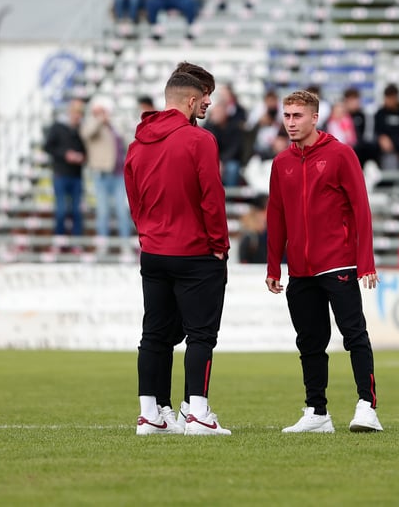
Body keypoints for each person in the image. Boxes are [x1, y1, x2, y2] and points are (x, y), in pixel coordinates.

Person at [266, 90, 383, 434]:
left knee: (354, 335)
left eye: (297, 116)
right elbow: (276, 216)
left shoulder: (341, 154)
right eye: (287, 116)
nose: (290, 123)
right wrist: (273, 266)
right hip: (299, 270)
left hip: (338, 263)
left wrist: (365, 262)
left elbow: (361, 208)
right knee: (309, 342)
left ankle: (367, 406)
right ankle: (317, 412)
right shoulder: (281, 163)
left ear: (315, 118)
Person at [125, 70, 231, 436]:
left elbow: (134, 199)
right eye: (205, 97)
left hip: (154, 251)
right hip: (195, 252)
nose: (208, 103)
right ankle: (197, 414)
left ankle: (150, 416)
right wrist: (219, 245)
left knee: (153, 335)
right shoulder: (200, 140)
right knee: (200, 335)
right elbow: (212, 197)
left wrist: (148, 235)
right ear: (191, 100)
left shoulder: (138, 143)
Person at [81, 100, 132, 239]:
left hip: (118, 175)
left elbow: (126, 143)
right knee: (103, 212)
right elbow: (86, 134)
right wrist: (99, 120)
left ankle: (125, 243)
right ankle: (102, 243)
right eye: (98, 111)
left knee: (122, 211)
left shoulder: (113, 127)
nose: (102, 114)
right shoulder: (91, 124)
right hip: (102, 174)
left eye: (103, 111)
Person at [43, 99, 87, 238]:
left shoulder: (81, 130)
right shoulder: (57, 127)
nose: (77, 116)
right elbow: (48, 147)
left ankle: (77, 241)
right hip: (61, 174)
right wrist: (65, 154)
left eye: (79, 113)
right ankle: (59, 238)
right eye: (75, 112)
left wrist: (81, 157)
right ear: (70, 112)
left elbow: (86, 150)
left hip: (76, 175)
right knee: (61, 209)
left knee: (76, 210)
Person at [204, 97, 244, 187]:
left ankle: (229, 194)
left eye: (219, 112)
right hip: (213, 159)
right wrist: (216, 160)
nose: (216, 115)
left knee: (232, 168)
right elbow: (207, 147)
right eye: (215, 112)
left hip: (229, 160)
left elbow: (235, 149)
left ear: (225, 113)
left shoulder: (234, 127)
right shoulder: (209, 127)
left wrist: (222, 161)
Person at [248, 90, 283, 159]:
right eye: (269, 101)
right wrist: (259, 122)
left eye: (273, 100)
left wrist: (275, 122)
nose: (271, 104)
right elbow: (249, 127)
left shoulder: (282, 109)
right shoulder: (259, 109)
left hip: (277, 147)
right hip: (260, 147)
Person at [238, 197, 268, 264]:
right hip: (253, 269)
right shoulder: (249, 238)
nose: (264, 224)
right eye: (262, 222)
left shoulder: (262, 236)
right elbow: (244, 261)